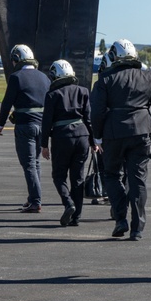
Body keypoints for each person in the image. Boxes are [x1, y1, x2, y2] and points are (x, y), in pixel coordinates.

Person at [91, 39, 151, 240]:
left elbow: (97, 112)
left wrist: (97, 136)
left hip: (114, 133)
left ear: (114, 56)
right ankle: (138, 227)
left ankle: (120, 217)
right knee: (138, 179)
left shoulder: (105, 79)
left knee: (111, 175)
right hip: (142, 132)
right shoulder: (149, 76)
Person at [0, 44, 51, 213]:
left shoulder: (16, 77)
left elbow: (7, 103)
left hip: (25, 126)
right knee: (35, 164)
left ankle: (36, 201)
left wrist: (1, 123)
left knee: (28, 165)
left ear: (17, 59)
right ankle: (32, 197)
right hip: (42, 126)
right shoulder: (44, 77)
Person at [40, 60, 95, 226]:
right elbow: (89, 119)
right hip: (82, 137)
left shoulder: (52, 95)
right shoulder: (83, 91)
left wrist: (44, 145)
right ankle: (76, 216)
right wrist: (94, 141)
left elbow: (46, 122)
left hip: (62, 137)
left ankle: (68, 202)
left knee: (59, 175)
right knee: (77, 178)